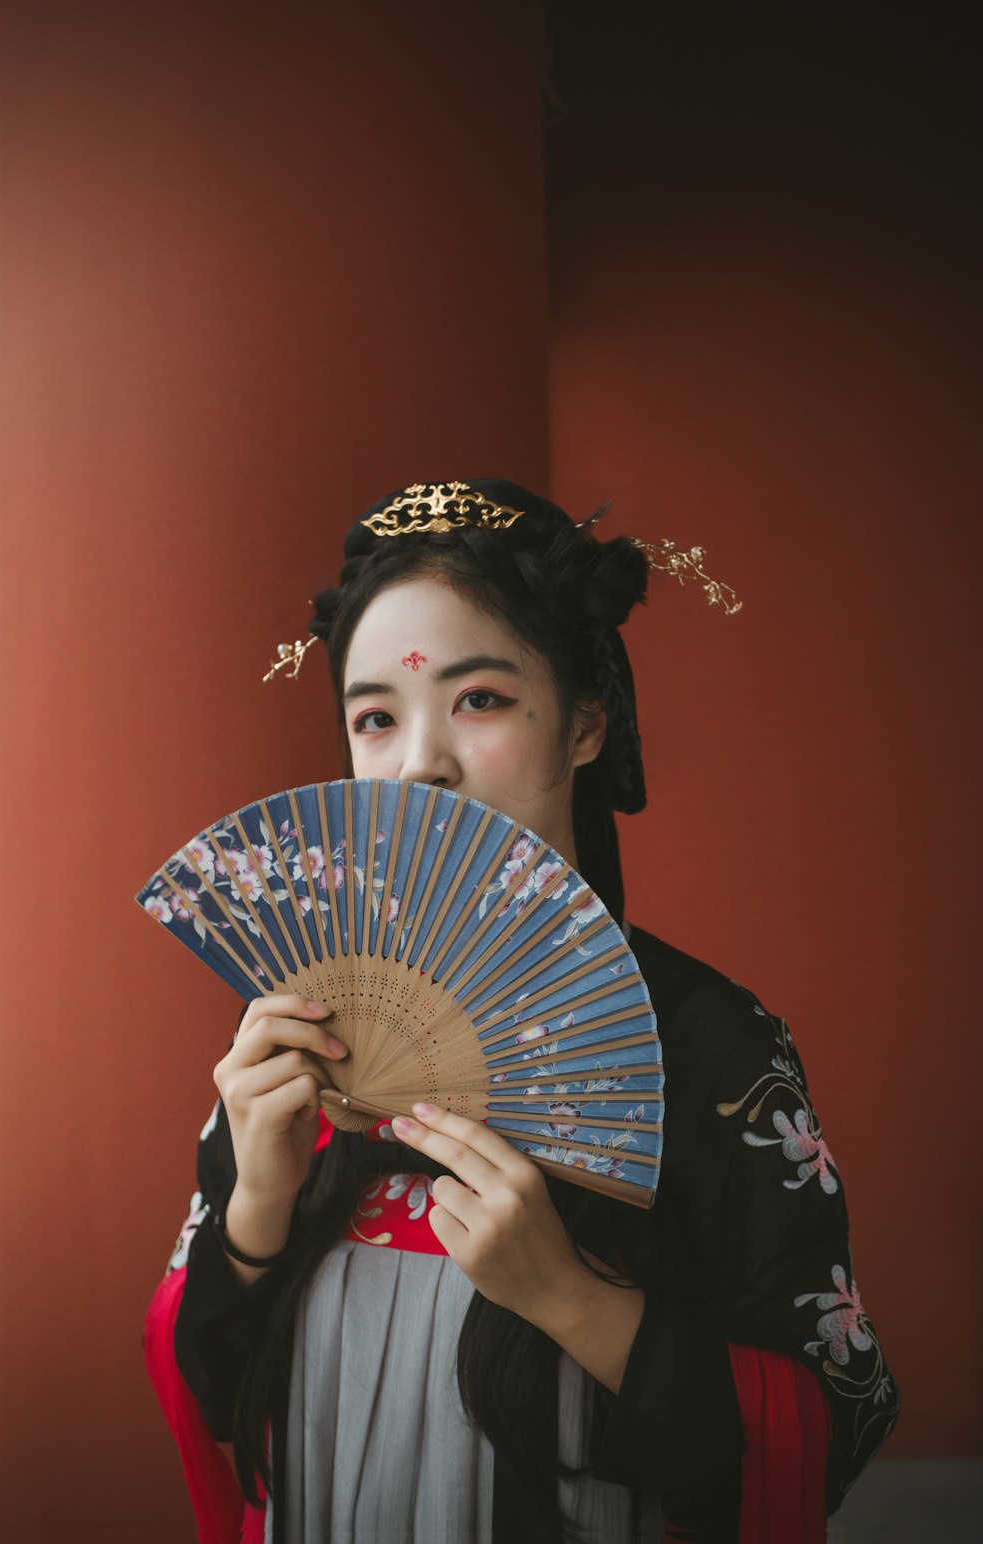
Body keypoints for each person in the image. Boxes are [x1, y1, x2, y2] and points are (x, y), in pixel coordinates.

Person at [144, 479, 899, 1544]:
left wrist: (571, 1299)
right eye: (374, 716)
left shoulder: (708, 1044)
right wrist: (257, 1205)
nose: (419, 763)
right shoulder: (308, 1032)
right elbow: (217, 1394)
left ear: (585, 721)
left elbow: (829, 1425)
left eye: (480, 699)